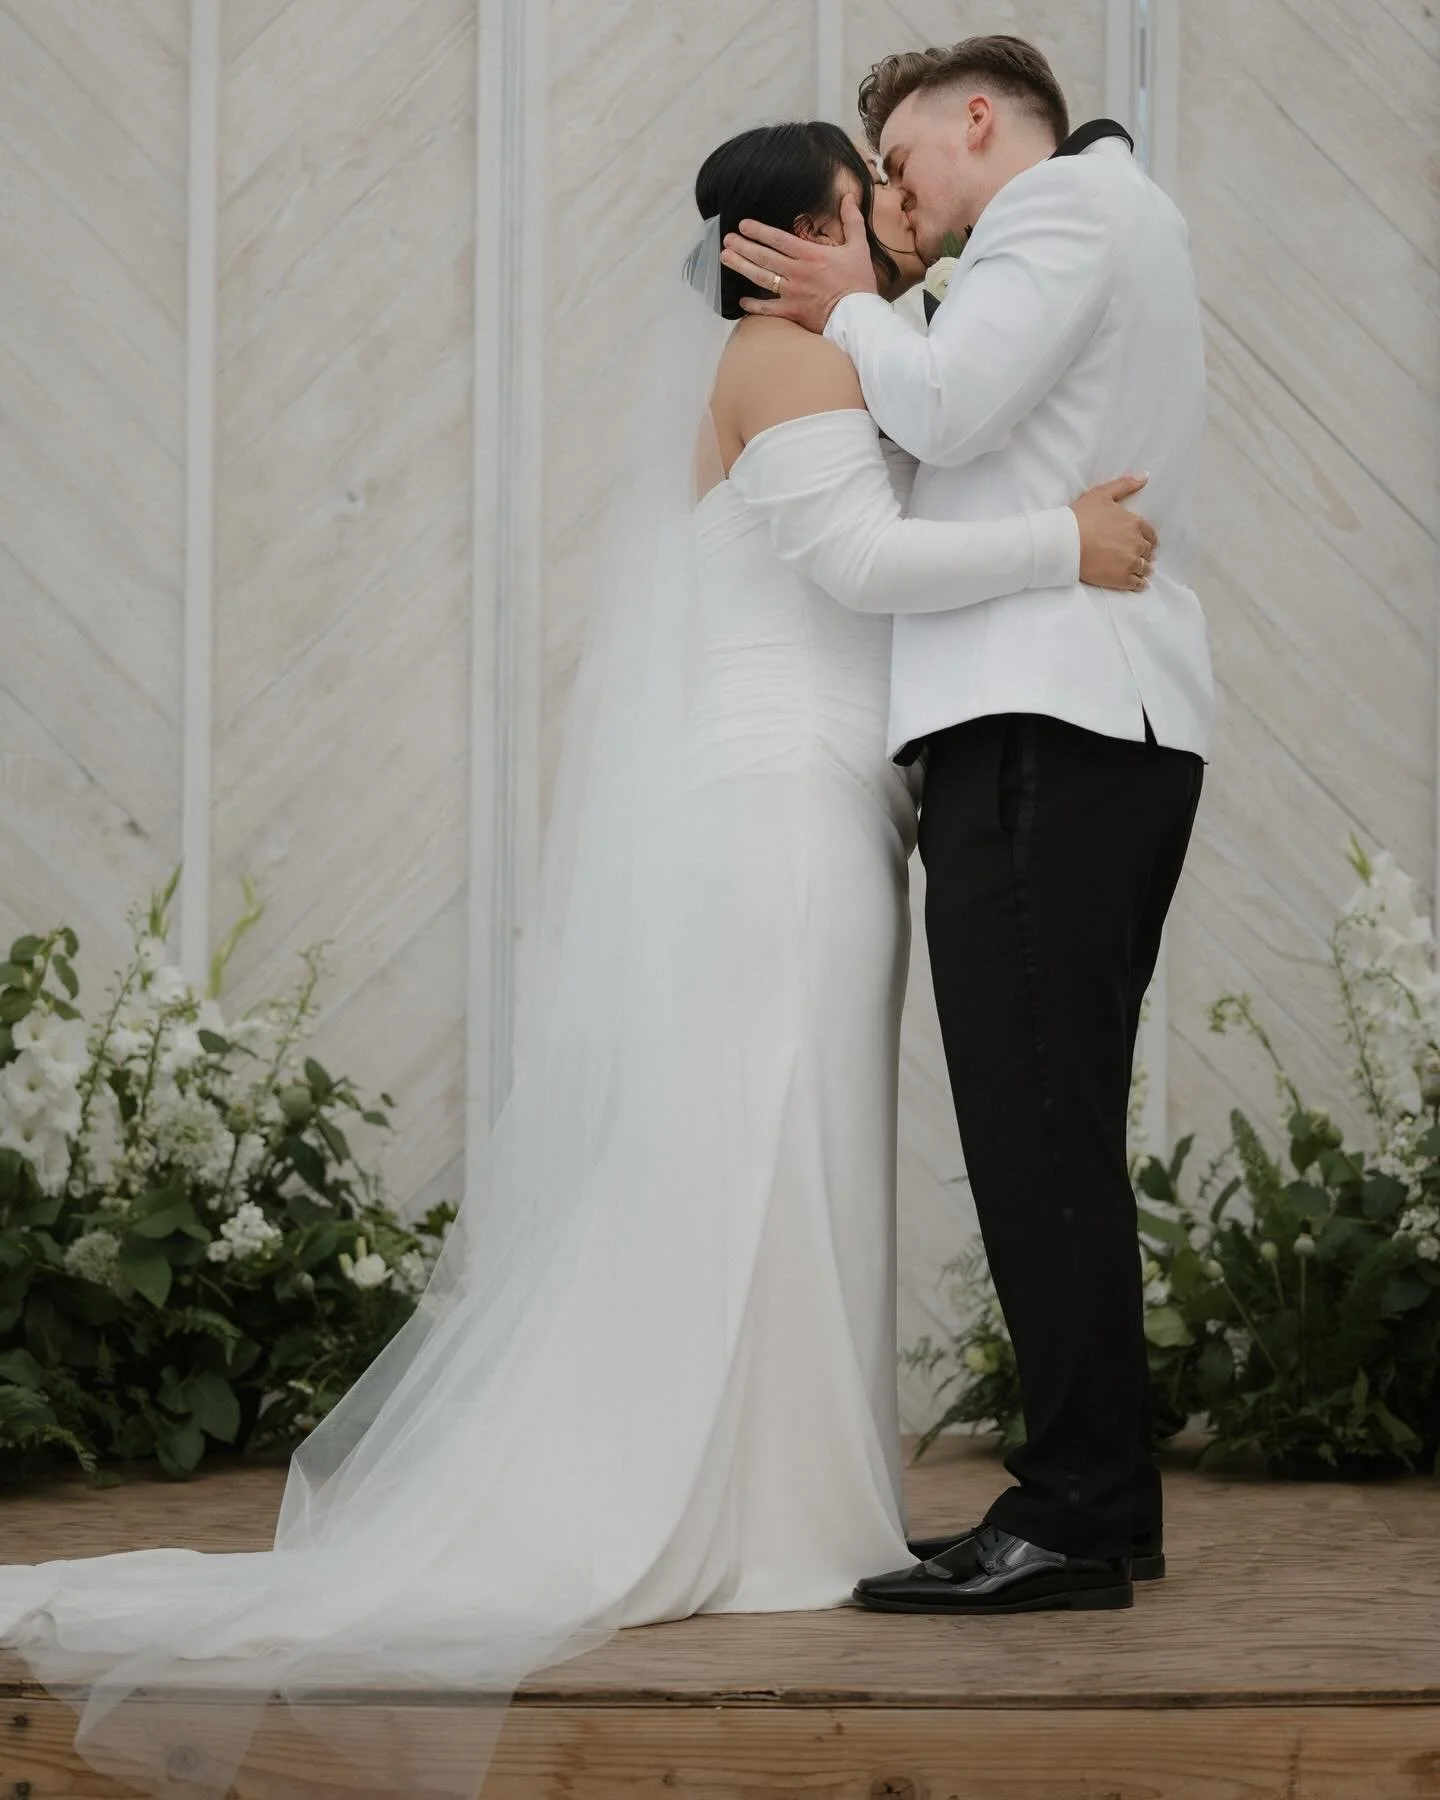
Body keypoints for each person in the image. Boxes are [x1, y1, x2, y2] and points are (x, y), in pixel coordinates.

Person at [0, 118, 1161, 1800]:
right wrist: (1072, 544)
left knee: (797, 1146)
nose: (893, 223)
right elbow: (855, 565)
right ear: (791, 234)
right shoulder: (783, 363)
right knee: (767, 1135)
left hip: (826, 803)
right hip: (780, 805)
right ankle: (738, 1511)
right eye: (869, 195)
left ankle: (787, 1504)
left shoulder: (842, 355)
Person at [721, 36, 1213, 1616]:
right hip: (1076, 725)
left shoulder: (1067, 207)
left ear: (980, 118)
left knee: (1035, 1134)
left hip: (1041, 725)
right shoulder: (1093, 227)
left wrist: (840, 304)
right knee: (1048, 1130)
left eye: (902, 165)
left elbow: (936, 406)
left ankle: (1075, 1514)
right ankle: (1098, 1503)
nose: (898, 208)